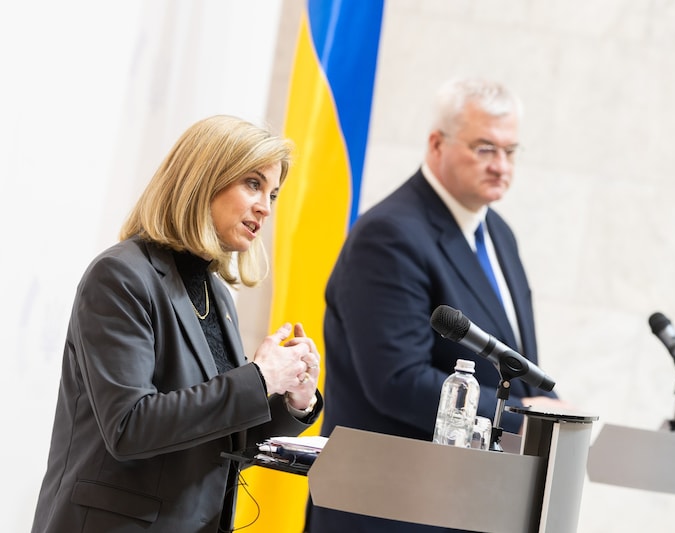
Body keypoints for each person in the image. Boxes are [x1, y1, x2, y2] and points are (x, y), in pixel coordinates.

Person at [31, 115, 323, 533]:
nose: (265, 206)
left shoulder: (215, 292)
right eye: (253, 184)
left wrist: (292, 397)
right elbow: (130, 426)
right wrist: (258, 378)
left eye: (273, 194)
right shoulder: (121, 276)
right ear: (203, 179)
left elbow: (220, 431)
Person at [308, 78, 568, 532]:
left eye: (511, 151)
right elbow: (397, 381)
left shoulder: (499, 234)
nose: (501, 166)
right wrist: (524, 420)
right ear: (436, 143)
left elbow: (515, 362)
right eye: (485, 148)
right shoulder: (389, 236)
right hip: (389, 507)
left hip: (466, 502)